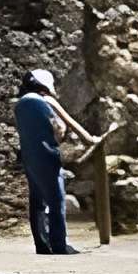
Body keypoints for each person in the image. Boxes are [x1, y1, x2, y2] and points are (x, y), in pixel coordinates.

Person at [14, 68, 98, 254]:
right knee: (56, 200)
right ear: (44, 86)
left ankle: (42, 245)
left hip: (29, 158)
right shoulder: (46, 100)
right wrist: (91, 140)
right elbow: (63, 126)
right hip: (47, 156)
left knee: (37, 202)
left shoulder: (19, 105)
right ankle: (60, 245)